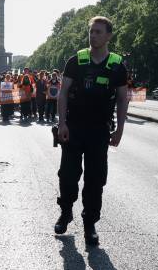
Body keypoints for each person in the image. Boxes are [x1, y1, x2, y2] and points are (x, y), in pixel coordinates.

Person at [54, 16, 129, 246]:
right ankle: (66, 212)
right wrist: (62, 123)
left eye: (98, 32)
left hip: (99, 131)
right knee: (68, 175)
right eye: (91, 31)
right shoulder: (76, 61)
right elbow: (64, 92)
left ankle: (90, 224)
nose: (93, 35)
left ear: (108, 36)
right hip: (74, 128)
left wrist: (120, 130)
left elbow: (123, 98)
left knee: (95, 180)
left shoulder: (117, 65)